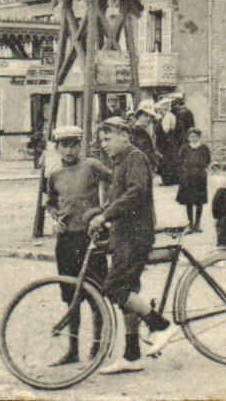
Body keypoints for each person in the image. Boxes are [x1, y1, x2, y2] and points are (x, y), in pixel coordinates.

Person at [89, 116, 172, 374]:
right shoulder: (121, 162)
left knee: (114, 288)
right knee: (129, 292)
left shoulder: (135, 158)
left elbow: (136, 194)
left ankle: (162, 326)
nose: (104, 144)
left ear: (124, 136)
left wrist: (105, 215)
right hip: (124, 234)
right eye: (101, 139)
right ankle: (132, 355)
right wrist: (99, 214)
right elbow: (118, 199)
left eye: (108, 138)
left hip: (135, 235)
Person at [44, 125, 111, 366]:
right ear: (58, 148)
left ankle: (98, 345)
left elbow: (115, 182)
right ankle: (73, 350)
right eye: (65, 145)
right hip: (66, 242)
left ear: (80, 145)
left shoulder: (91, 166)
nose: (70, 150)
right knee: (71, 297)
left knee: (96, 295)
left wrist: (104, 213)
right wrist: (56, 219)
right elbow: (50, 203)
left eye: (74, 144)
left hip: (90, 240)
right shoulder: (53, 175)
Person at [176, 128, 211, 233]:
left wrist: (201, 167)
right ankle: (190, 224)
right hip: (188, 177)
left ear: (199, 137)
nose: (194, 138)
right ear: (188, 138)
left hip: (200, 176)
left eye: (196, 136)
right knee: (189, 201)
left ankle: (198, 224)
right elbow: (180, 161)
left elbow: (208, 160)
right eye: (191, 136)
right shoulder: (184, 148)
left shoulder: (204, 148)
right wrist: (183, 172)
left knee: (199, 201)